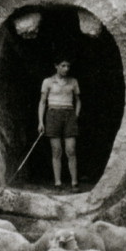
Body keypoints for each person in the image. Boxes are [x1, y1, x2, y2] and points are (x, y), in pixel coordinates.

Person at [37, 57, 81, 191]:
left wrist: (75, 116)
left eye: (68, 66)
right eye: (63, 65)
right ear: (56, 66)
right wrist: (40, 122)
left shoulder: (73, 81)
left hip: (68, 114)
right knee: (56, 150)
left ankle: (74, 183)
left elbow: (78, 100)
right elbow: (42, 102)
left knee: (71, 150)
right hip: (53, 114)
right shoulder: (48, 81)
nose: (66, 69)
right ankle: (58, 183)